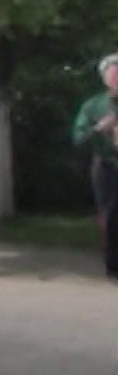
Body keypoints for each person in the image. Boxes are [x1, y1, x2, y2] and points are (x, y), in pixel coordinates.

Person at [68, 54, 118, 281]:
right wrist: (98, 129)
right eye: (113, 75)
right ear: (105, 79)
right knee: (110, 215)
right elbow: (79, 138)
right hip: (107, 164)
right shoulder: (94, 105)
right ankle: (113, 265)